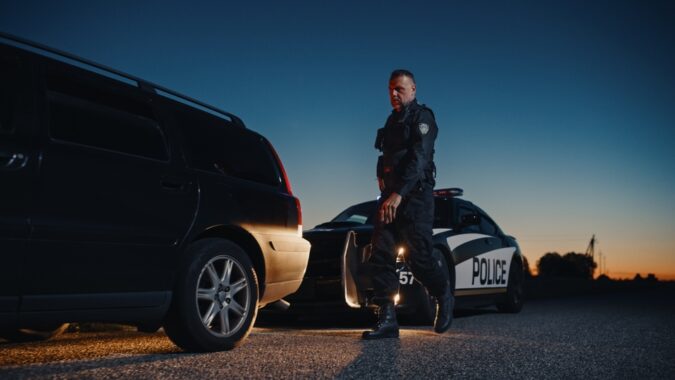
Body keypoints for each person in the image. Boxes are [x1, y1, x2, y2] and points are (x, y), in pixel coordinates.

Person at [362, 69, 453, 340]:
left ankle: (443, 294)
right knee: (381, 254)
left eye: (399, 89)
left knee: (419, 258)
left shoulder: (422, 117)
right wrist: (381, 179)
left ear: (413, 90)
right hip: (391, 197)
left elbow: (420, 158)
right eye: (391, 89)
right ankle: (388, 320)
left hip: (415, 198)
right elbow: (386, 156)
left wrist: (399, 193)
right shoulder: (391, 121)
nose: (393, 94)